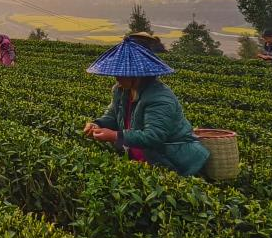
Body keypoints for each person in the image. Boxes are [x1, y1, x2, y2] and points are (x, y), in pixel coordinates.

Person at [82, 38, 209, 177]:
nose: (116, 78)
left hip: (174, 162)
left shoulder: (160, 98)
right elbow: (112, 115)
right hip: (142, 158)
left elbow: (153, 136)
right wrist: (97, 123)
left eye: (121, 74)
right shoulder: (121, 90)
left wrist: (115, 136)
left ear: (136, 75)